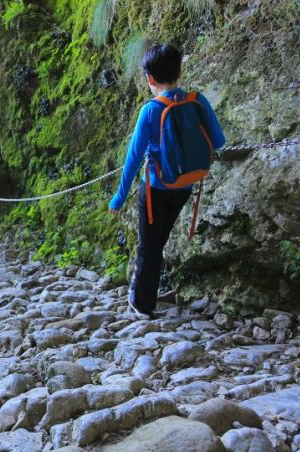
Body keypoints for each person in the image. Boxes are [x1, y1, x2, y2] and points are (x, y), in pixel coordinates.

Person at [108, 44, 225, 319]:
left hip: (155, 191)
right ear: (180, 71)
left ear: (149, 79)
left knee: (148, 247)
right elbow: (218, 141)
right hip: (184, 186)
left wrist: (119, 197)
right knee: (156, 243)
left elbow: (133, 159)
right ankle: (144, 294)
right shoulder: (197, 100)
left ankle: (141, 304)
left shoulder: (150, 110)